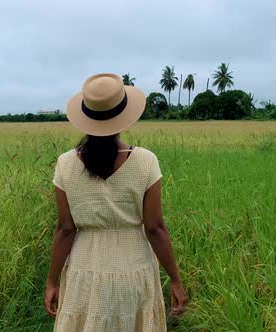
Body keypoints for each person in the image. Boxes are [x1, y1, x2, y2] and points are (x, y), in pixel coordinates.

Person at [45, 73, 187, 331]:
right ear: (124, 115)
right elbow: (154, 228)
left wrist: (51, 281)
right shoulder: (146, 161)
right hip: (135, 271)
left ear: (86, 117)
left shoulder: (65, 164)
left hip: (83, 273)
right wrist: (175, 280)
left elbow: (65, 229)